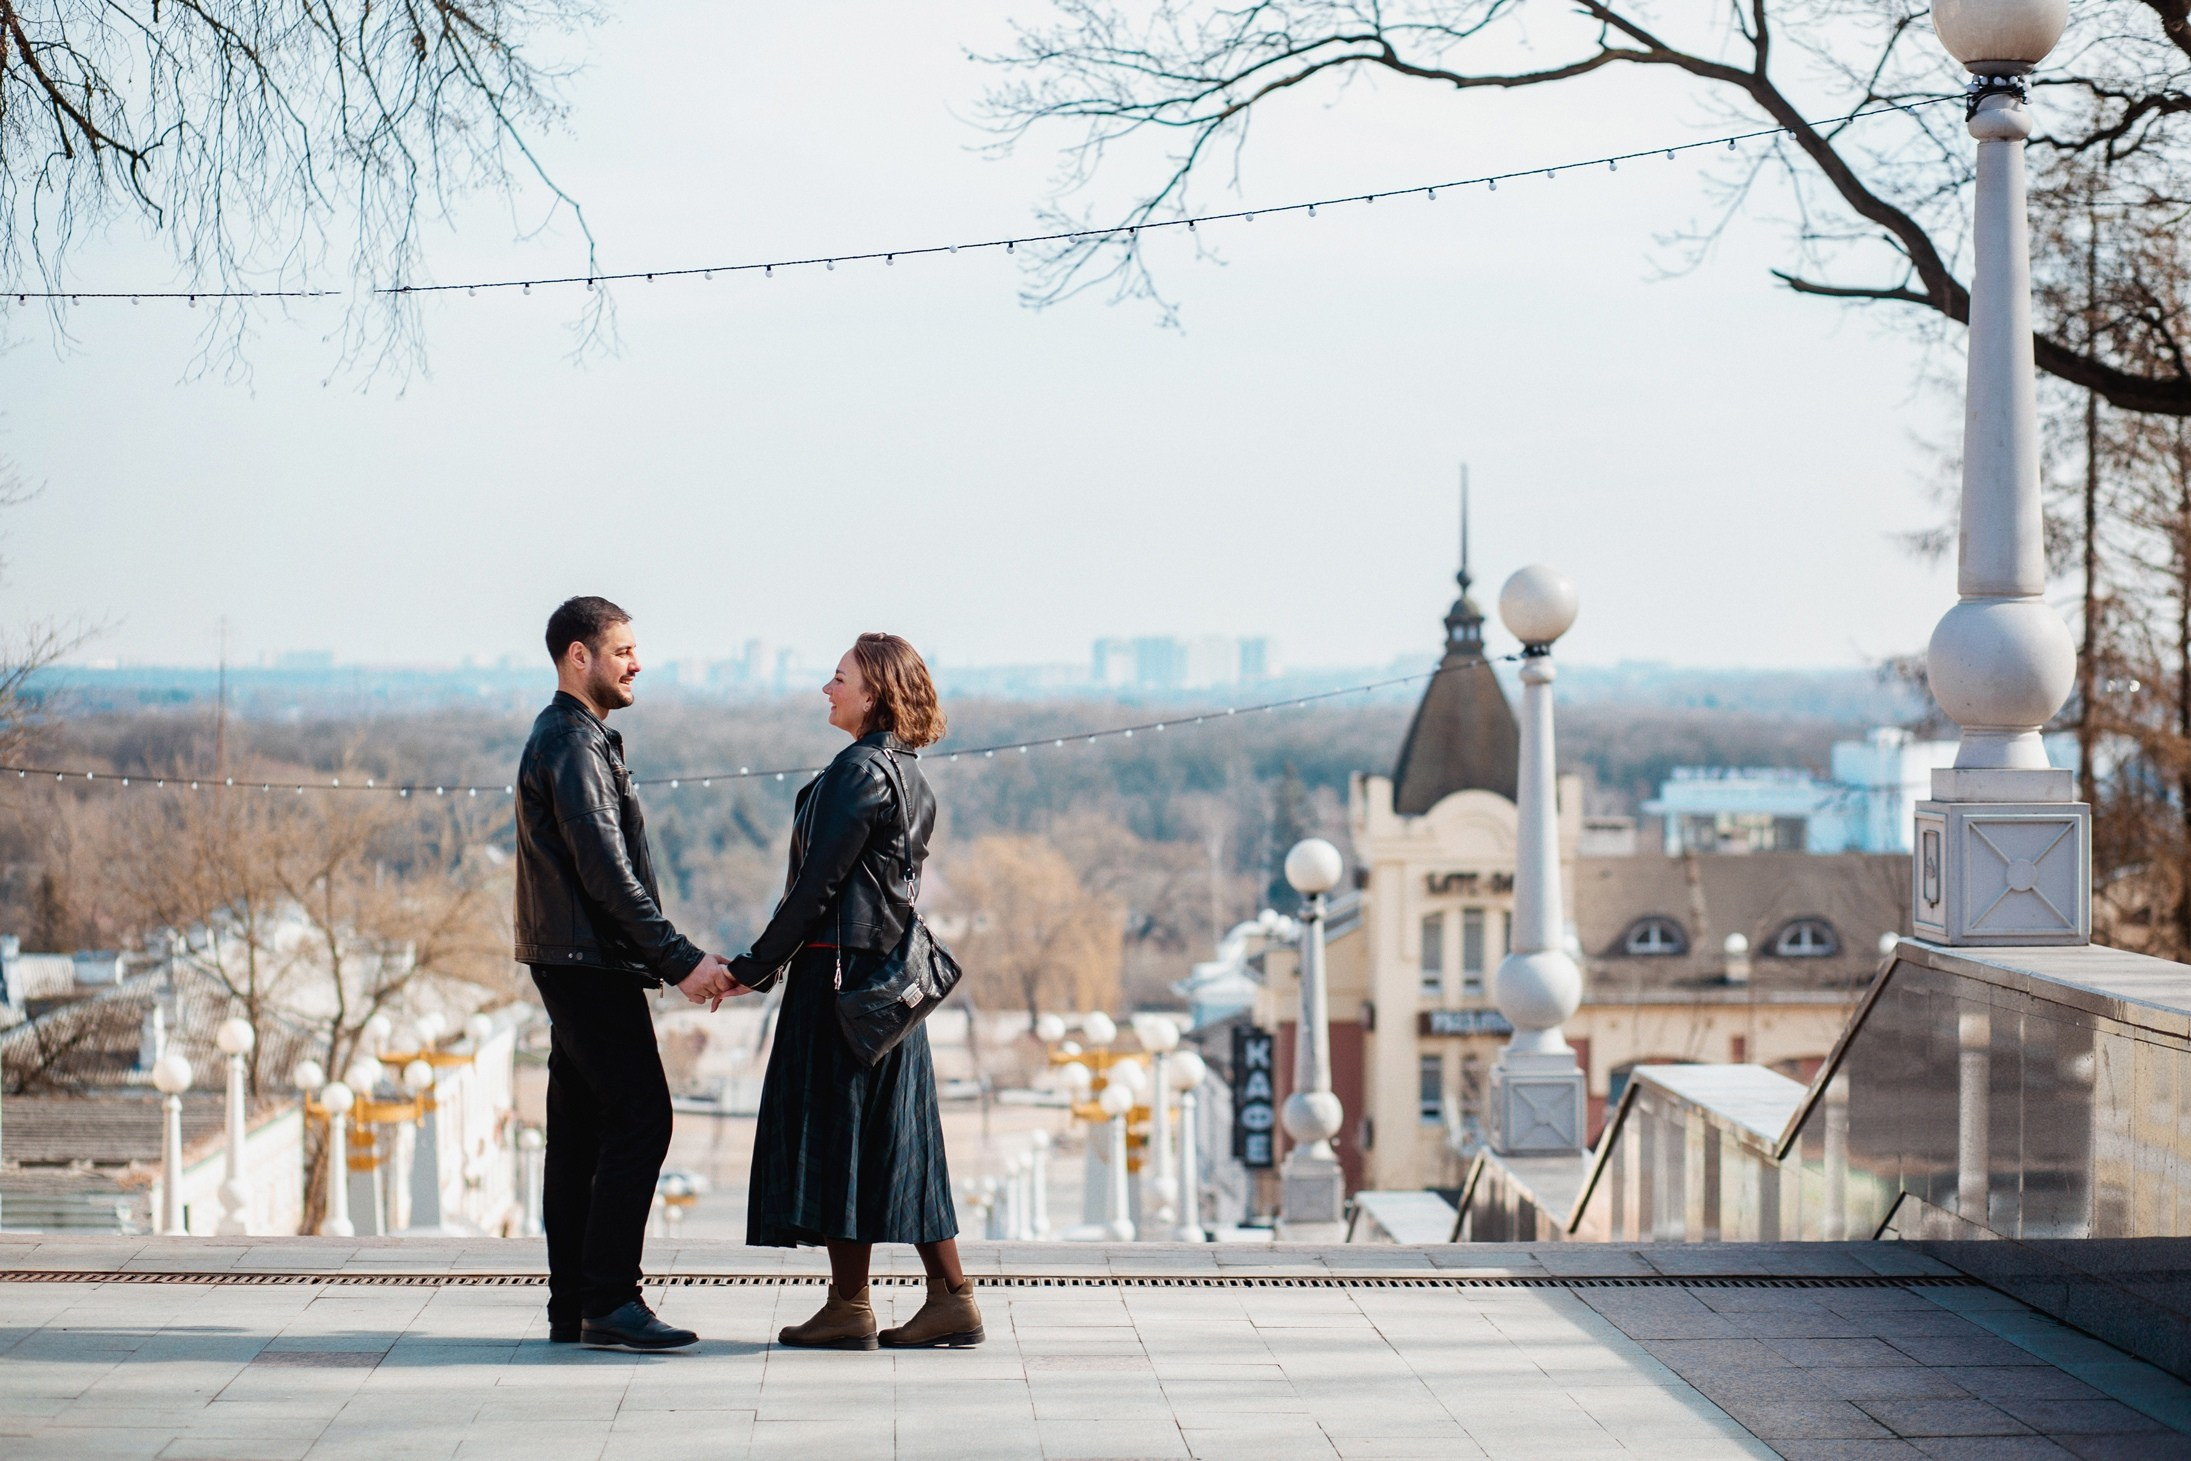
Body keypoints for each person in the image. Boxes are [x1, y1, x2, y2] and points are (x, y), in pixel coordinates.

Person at [719, 632, 976, 1350]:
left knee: (846, 1137)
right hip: (885, 988)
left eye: (838, 679)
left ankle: (858, 1302)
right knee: (897, 1140)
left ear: (874, 694)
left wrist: (750, 966)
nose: (826, 690)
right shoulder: (908, 774)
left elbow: (813, 890)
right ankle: (935, 1297)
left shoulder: (858, 771)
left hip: (839, 981)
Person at [513, 596, 731, 1352]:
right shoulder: (571, 744)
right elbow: (605, 872)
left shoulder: (584, 739)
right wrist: (681, 961)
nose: (637, 662)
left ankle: (574, 1303)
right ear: (580, 656)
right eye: (622, 650)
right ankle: (609, 1298)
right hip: (585, 961)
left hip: (574, 957)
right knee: (643, 1117)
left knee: (579, 1135)